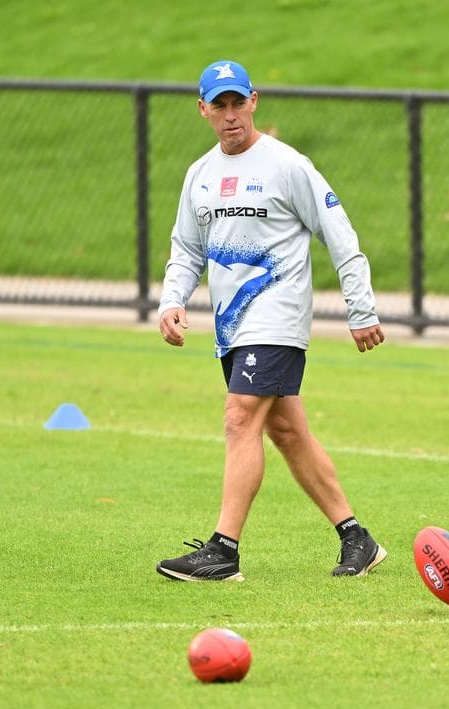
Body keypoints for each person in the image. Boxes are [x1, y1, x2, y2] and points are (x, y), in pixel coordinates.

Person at [155, 60, 387, 582]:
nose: (231, 115)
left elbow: (340, 235)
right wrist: (172, 301)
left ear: (254, 101)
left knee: (240, 417)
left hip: (278, 317)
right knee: (285, 429)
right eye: (220, 105)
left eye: (239, 102)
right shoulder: (199, 175)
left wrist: (361, 309)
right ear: (203, 110)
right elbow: (186, 249)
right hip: (230, 327)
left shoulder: (288, 166)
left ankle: (223, 550)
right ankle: (357, 538)